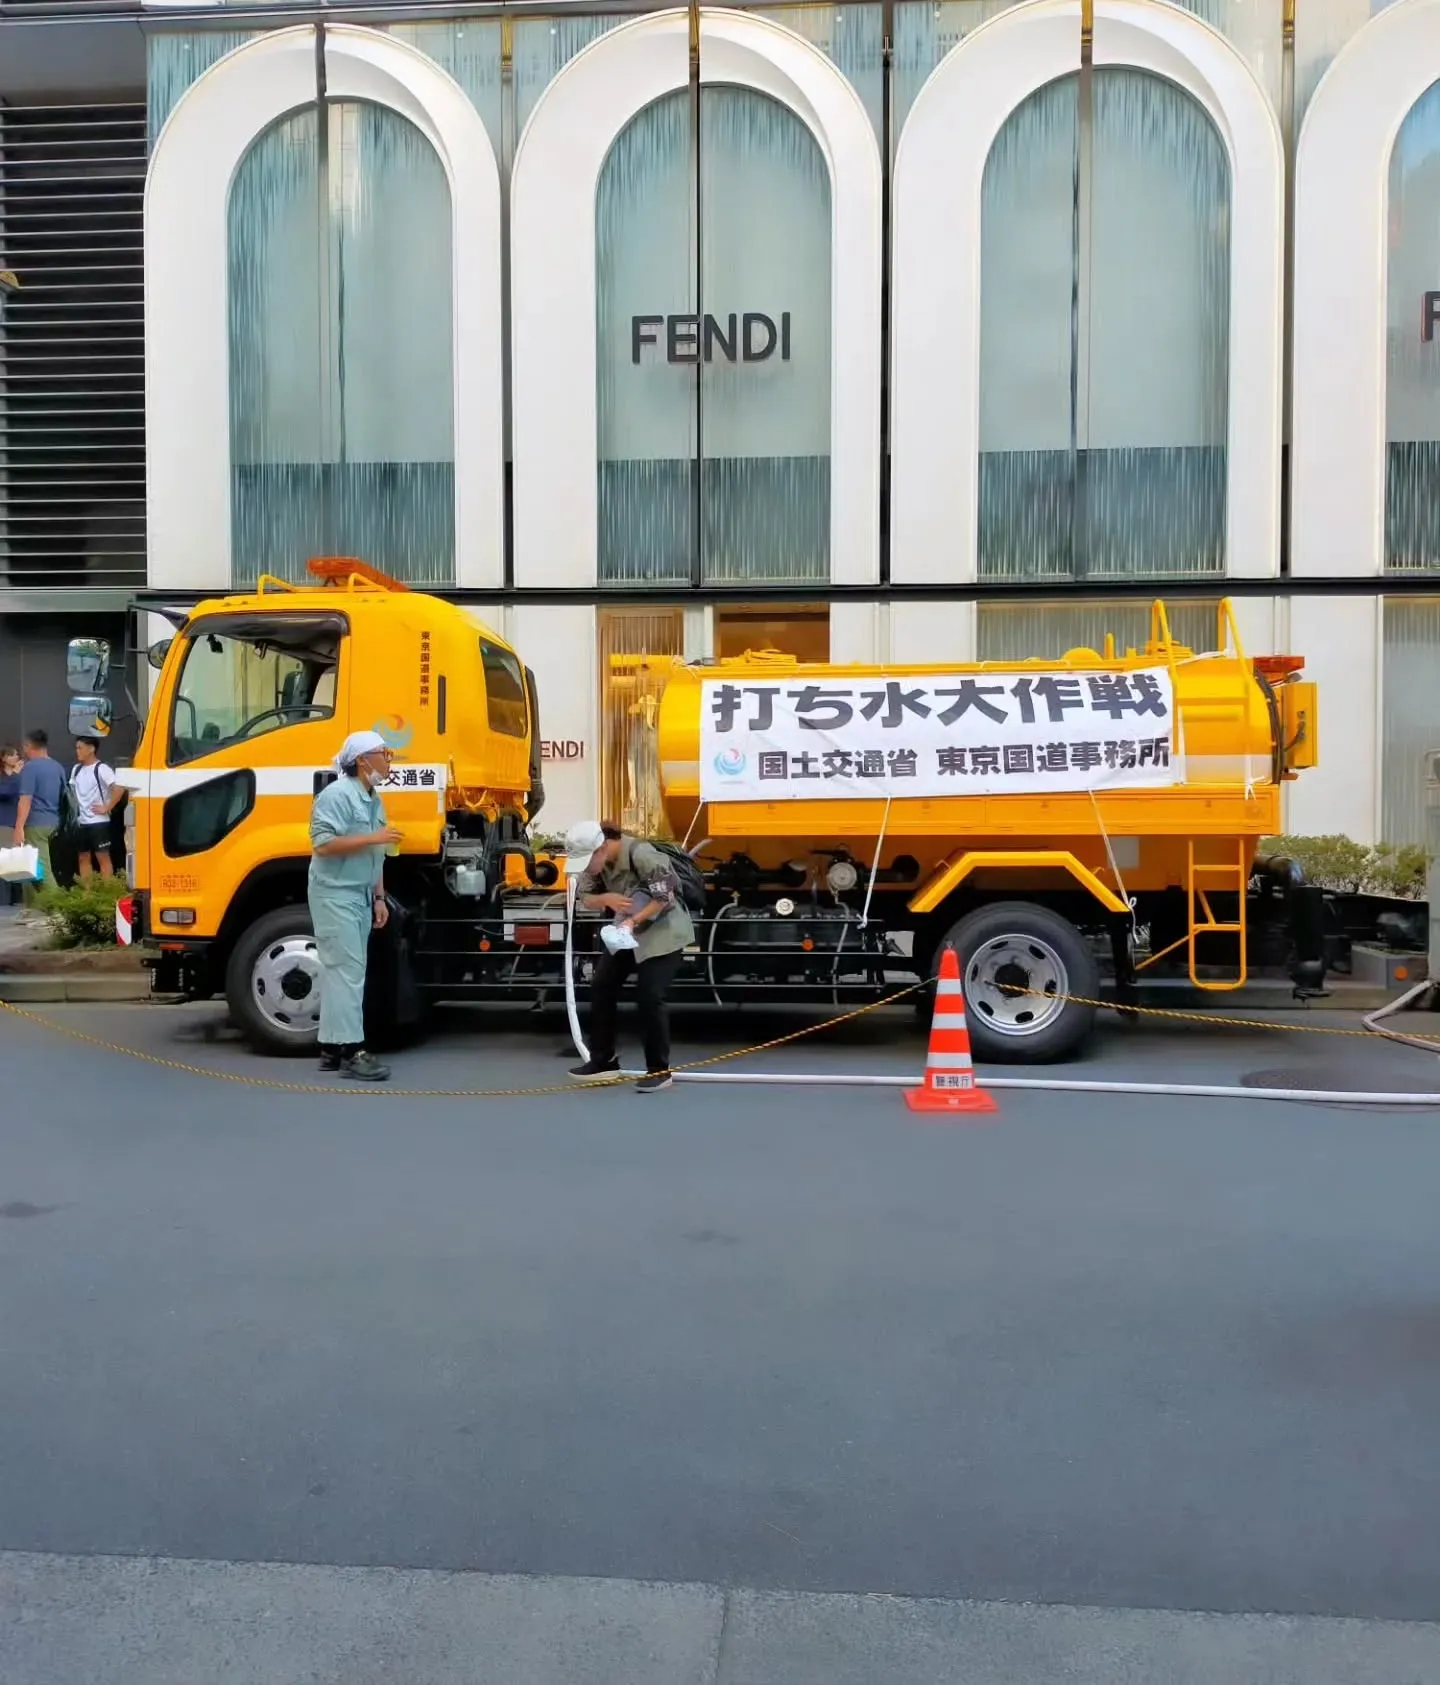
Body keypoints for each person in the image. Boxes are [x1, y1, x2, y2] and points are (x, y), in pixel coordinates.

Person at [565, 820, 694, 1094]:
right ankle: (603, 1060)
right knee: (602, 985)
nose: (587, 867)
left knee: (650, 995)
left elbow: (665, 897)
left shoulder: (642, 854)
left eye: (588, 860)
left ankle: (659, 1070)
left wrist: (633, 921)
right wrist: (607, 899)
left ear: (601, 847)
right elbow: (586, 897)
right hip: (625, 931)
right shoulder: (598, 866)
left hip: (663, 930)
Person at [309, 730, 403, 1082]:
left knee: (342, 972)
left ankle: (332, 1048)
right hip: (334, 894)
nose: (388, 760)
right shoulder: (336, 795)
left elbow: (376, 854)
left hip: (359, 895)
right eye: (384, 753)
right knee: (348, 973)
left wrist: (379, 897)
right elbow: (322, 844)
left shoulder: (372, 797)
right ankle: (353, 1050)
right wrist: (374, 837)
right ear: (363, 760)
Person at [13, 729, 68, 917]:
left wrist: (19, 827)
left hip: (35, 822)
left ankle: (58, 909)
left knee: (41, 867)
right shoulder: (57, 767)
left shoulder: (31, 767)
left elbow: (25, 800)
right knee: (27, 865)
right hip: (53, 821)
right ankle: (30, 908)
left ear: (28, 746)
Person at [70, 737, 120, 881]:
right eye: (76, 748)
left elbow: (119, 788)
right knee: (82, 857)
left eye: (80, 748)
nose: (77, 751)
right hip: (81, 822)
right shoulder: (76, 769)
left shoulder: (102, 768)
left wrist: (107, 807)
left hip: (99, 823)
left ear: (91, 749)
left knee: (102, 858)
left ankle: (106, 893)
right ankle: (88, 894)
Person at [0, 747, 23, 908]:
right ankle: (5, 900)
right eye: (13, 755)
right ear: (5, 758)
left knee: (18, 861)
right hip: (5, 823)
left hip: (19, 823)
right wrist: (15, 775)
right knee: (5, 861)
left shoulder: (20, 775)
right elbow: (5, 792)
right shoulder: (4, 777)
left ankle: (16, 898)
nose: (17, 757)